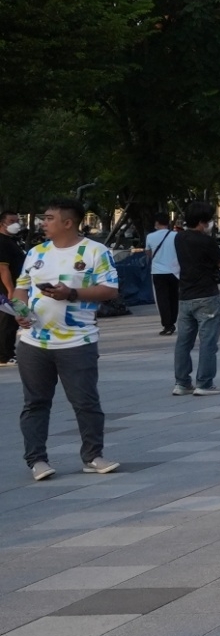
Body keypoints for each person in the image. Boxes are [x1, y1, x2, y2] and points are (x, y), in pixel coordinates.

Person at [12, 197, 121, 480]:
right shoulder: (36, 252)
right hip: (34, 342)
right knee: (35, 403)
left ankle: (93, 456)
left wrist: (71, 293)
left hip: (78, 341)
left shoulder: (95, 251)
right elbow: (21, 288)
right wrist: (20, 311)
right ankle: (37, 460)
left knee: (86, 402)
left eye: (49, 218)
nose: (43, 223)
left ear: (68, 222)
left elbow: (110, 289)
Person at [170, 201, 220, 397]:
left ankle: (181, 383)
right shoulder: (206, 241)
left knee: (183, 342)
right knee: (208, 342)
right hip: (206, 295)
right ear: (203, 221)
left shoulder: (179, 237)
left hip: (185, 295)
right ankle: (204, 383)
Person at [143, 211, 182, 337]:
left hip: (158, 271)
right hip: (174, 271)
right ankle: (173, 320)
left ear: (157, 223)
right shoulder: (176, 235)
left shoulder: (150, 237)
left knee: (162, 299)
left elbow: (148, 253)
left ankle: (167, 325)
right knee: (174, 297)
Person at [0, 210, 23, 367]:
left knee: (11, 322)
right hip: (6, 288)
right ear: (2, 223)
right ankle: (5, 355)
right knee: (7, 322)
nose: (16, 224)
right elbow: (3, 268)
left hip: (14, 287)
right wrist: (10, 289)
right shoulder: (2, 242)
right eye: (11, 221)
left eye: (17, 221)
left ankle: (7, 353)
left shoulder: (11, 241)